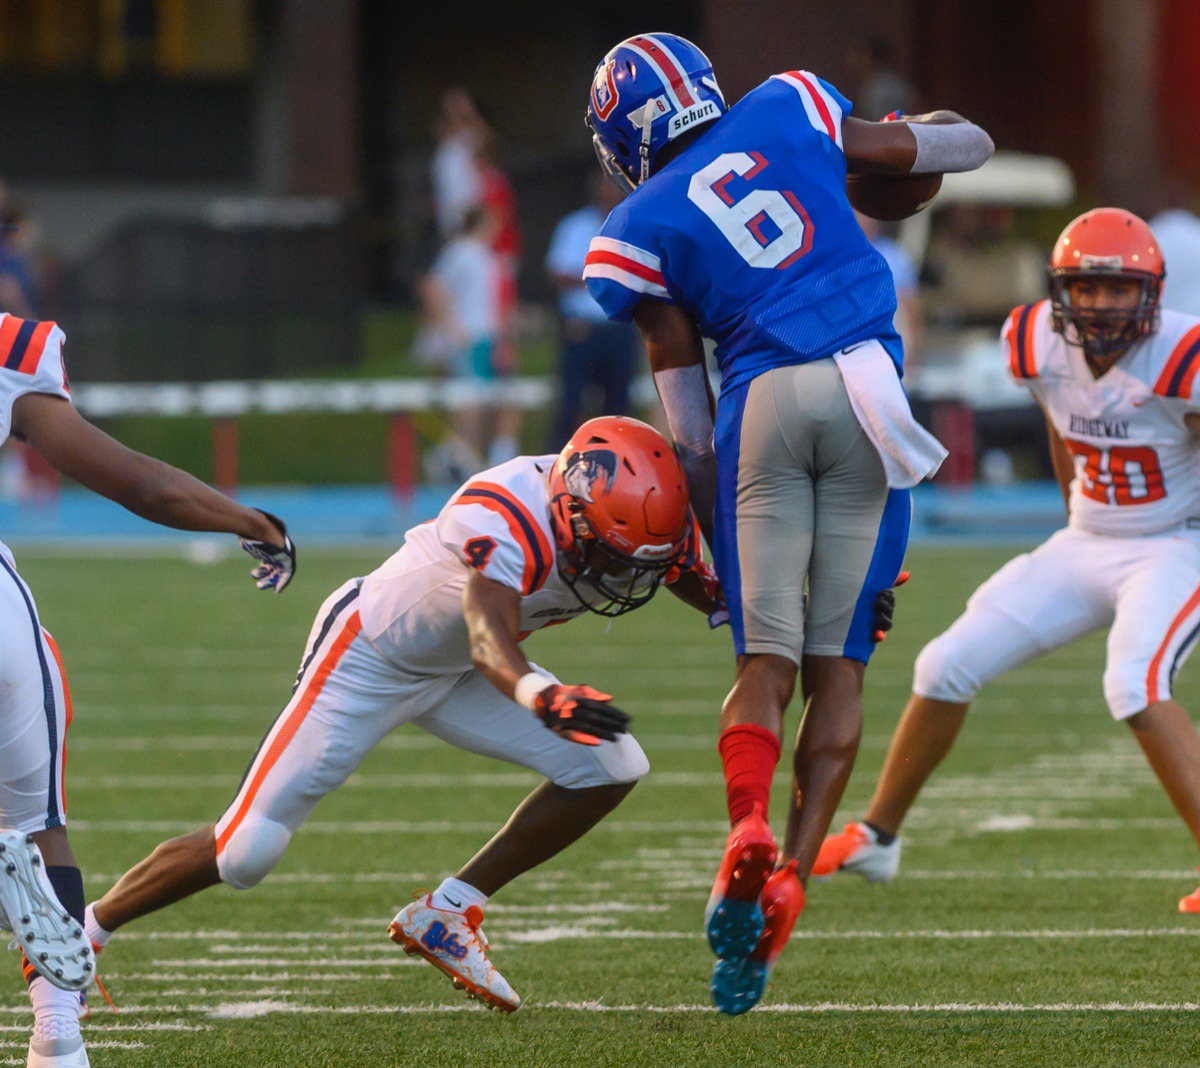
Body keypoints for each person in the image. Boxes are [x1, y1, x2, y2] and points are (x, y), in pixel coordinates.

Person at [583, 33, 993, 1014]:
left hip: (762, 402)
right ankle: (793, 876)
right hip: (869, 391)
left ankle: (742, 829)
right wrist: (917, 138)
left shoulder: (636, 227)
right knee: (838, 669)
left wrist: (716, 547)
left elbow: (687, 425)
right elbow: (958, 149)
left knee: (762, 664)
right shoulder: (789, 104)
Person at [84, 416, 723, 1016]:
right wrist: (540, 696)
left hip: (457, 670)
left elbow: (684, 572)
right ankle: (84, 934)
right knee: (246, 850)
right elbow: (487, 635)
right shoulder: (506, 508)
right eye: (610, 556)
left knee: (612, 765)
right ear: (567, 508)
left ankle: (448, 912)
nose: (619, 575)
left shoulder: (634, 516)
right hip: (369, 656)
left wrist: (755, 620)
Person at [815, 208, 1200, 917]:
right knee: (943, 664)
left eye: (1120, 290)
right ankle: (879, 835)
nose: (1103, 304)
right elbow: (1060, 423)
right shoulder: (1035, 342)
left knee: (1135, 682)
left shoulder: (1184, 357)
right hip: (1089, 537)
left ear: (1152, 293)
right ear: (1062, 290)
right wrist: (1074, 516)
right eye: (1088, 288)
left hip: (1175, 542)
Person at [0, 311, 297, 1067]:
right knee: (37, 826)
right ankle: (57, 1037)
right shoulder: (9, 346)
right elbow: (134, 481)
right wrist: (250, 521)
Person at [546, 172, 641, 448]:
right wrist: (604, 278)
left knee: (619, 404)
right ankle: (559, 461)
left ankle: (616, 460)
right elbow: (557, 273)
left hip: (620, 328)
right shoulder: (575, 225)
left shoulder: (631, 222)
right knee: (570, 401)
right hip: (582, 329)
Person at [415, 206, 500, 481]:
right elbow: (432, 287)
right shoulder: (461, 252)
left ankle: (454, 457)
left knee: (481, 404)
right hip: (468, 338)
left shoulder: (485, 255)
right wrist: (449, 327)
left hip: (482, 337)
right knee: (468, 404)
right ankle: (452, 460)